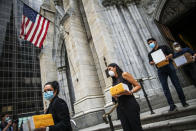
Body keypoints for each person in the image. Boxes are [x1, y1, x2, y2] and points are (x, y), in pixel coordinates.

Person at [147, 38, 189, 111]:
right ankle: (171, 105)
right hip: (160, 70)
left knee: (177, 84)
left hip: (169, 66)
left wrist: (167, 56)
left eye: (151, 42)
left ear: (155, 41)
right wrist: (153, 62)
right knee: (165, 88)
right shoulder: (150, 53)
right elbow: (150, 62)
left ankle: (183, 101)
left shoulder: (164, 47)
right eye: (149, 43)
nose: (150, 44)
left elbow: (171, 54)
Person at [108, 63, 143, 131]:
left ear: (115, 67)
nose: (109, 71)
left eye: (110, 69)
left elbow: (138, 86)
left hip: (130, 103)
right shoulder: (114, 81)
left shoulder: (124, 74)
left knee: (136, 127)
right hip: (120, 107)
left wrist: (131, 92)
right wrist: (114, 96)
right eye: (108, 70)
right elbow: (116, 96)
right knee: (126, 128)